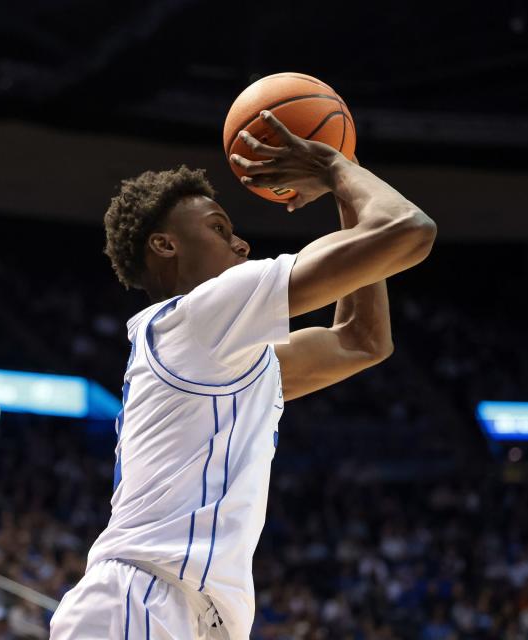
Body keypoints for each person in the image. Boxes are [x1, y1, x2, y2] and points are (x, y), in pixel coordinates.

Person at [50, 111, 436, 639]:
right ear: (166, 245)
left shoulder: (215, 353)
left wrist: (345, 190)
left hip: (180, 610)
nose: (242, 244)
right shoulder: (200, 315)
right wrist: (334, 163)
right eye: (218, 229)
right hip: (143, 600)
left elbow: (361, 341)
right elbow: (408, 232)